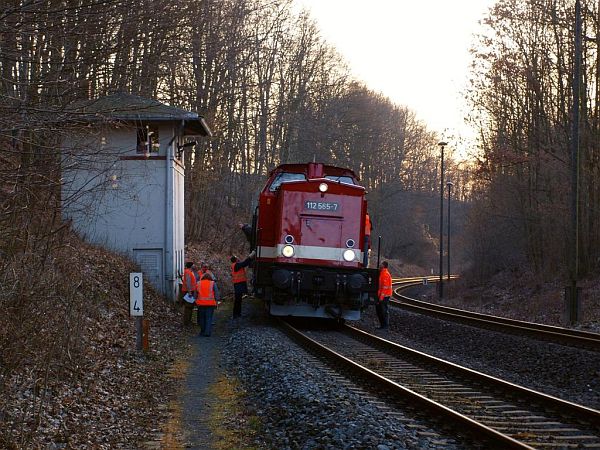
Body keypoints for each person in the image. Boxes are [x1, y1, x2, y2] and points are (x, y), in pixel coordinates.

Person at [231, 251, 255, 318]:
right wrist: (251, 256)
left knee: (238, 300)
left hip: (238, 284)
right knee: (238, 300)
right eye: (237, 258)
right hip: (238, 284)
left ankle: (237, 314)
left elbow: (244, 263)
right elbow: (244, 263)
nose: (238, 259)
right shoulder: (236, 265)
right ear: (235, 260)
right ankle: (236, 314)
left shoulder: (236, 265)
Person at [376, 261, 392, 329]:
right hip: (382, 295)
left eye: (381, 264)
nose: (380, 265)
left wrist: (381, 297)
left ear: (384, 266)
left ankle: (385, 326)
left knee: (383, 310)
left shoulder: (385, 274)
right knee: (379, 310)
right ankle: (382, 325)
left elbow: (385, 287)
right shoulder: (382, 273)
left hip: (385, 296)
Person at [181, 262, 197, 326]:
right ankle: (186, 322)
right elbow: (188, 282)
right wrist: (189, 292)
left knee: (190, 307)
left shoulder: (190, 272)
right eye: (193, 265)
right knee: (188, 307)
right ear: (191, 266)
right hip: (188, 292)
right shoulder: (188, 272)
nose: (194, 266)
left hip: (189, 291)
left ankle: (188, 321)